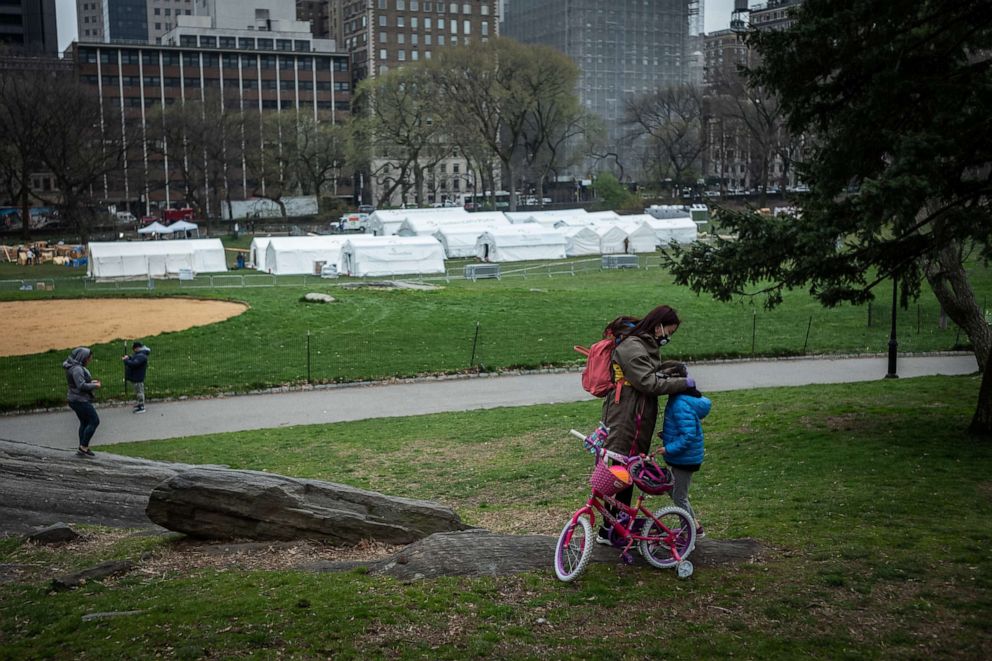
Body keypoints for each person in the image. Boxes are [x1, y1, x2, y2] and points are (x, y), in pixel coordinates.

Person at [598, 305, 696, 543]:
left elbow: (650, 375)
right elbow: (647, 382)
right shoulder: (632, 346)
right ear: (657, 325)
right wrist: (683, 383)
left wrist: (670, 370)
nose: (667, 337)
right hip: (625, 419)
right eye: (667, 332)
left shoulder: (642, 345)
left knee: (625, 472)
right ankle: (610, 530)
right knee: (621, 471)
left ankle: (614, 527)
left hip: (635, 418)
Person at [659, 387, 712, 537]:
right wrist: (667, 436)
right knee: (674, 491)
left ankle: (689, 533)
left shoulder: (680, 403)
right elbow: (681, 428)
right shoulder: (677, 400)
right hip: (682, 457)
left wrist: (668, 448)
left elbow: (688, 435)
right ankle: (695, 526)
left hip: (686, 459)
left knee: (679, 497)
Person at [63, 347, 102, 457]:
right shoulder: (77, 369)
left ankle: (82, 447)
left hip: (75, 399)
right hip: (79, 400)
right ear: (83, 357)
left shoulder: (74, 367)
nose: (89, 360)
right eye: (89, 358)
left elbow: (79, 382)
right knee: (94, 421)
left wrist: (90, 381)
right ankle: (83, 447)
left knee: (84, 422)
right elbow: (81, 386)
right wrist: (95, 385)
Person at [122, 341, 151, 413]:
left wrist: (126, 361)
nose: (133, 350)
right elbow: (134, 358)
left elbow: (134, 363)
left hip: (138, 377)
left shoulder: (141, 356)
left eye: (134, 349)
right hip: (136, 377)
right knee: (137, 391)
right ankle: (139, 403)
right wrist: (129, 357)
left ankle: (141, 406)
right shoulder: (140, 354)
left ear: (137, 348)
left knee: (139, 392)